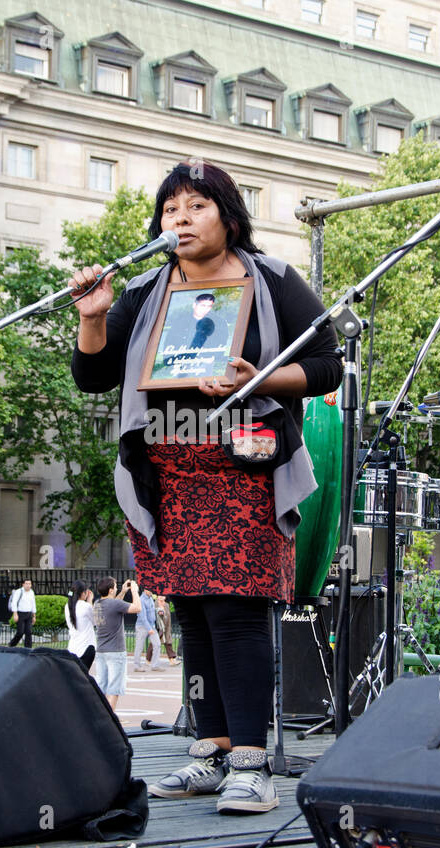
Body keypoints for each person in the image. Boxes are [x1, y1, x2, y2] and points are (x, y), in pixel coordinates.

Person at [69, 161, 341, 815]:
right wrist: (94, 317)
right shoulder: (145, 288)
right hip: (166, 469)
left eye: (196, 206)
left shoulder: (271, 279)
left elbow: (327, 362)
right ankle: (213, 751)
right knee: (190, 609)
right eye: (170, 210)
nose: (180, 219)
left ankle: (252, 763)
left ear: (228, 214)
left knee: (235, 608)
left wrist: (261, 379)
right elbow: (94, 375)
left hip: (244, 467)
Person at [92, 577, 142, 711]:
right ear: (110, 590)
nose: (116, 588)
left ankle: (99, 714)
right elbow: (137, 608)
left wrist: (123, 592)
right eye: (115, 586)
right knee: (115, 687)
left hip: (101, 650)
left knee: (102, 686)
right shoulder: (114, 604)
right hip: (116, 651)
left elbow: (114, 603)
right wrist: (134, 591)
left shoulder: (97, 603)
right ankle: (110, 718)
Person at [64, 579, 96, 672]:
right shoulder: (86, 606)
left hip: (73, 647)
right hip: (86, 647)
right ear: (83, 593)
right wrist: (90, 601)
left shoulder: (67, 606)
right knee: (83, 676)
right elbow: (95, 622)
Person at [133, 588, 163, 672]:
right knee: (139, 646)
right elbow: (142, 616)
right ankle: (137, 666)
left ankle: (155, 665)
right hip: (142, 626)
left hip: (151, 625)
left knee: (157, 644)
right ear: (145, 590)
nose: (152, 592)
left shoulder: (150, 598)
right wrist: (149, 629)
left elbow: (152, 610)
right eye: (150, 590)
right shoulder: (141, 600)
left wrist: (159, 611)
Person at [8, 578, 36, 648]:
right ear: (23, 584)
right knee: (20, 632)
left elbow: (33, 604)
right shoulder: (19, 592)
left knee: (29, 632)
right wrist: (15, 614)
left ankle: (28, 648)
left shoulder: (32, 592)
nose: (28, 585)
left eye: (29, 584)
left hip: (29, 614)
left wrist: (34, 616)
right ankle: (11, 644)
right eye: (26, 584)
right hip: (20, 614)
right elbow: (14, 603)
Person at [154, 593, 179, 666]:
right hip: (158, 627)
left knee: (168, 643)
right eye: (160, 596)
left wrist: (169, 627)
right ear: (157, 597)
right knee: (154, 644)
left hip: (166, 627)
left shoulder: (167, 605)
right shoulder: (155, 604)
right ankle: (148, 659)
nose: (161, 598)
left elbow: (169, 617)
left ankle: (172, 660)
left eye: (163, 596)